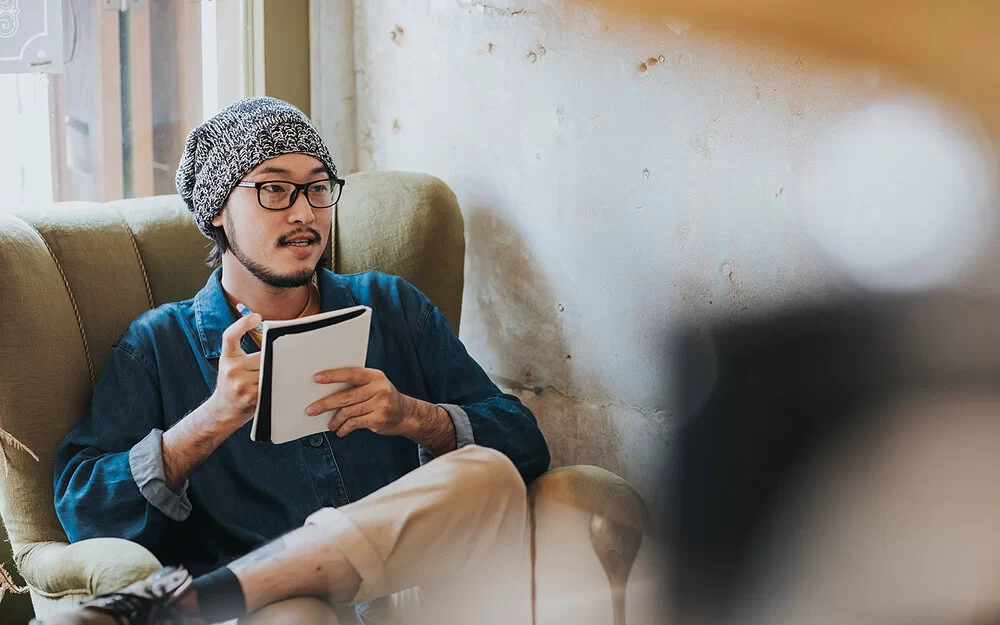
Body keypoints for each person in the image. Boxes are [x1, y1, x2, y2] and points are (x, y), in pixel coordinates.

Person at [40, 97, 550, 625]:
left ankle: (191, 601)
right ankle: (239, 591)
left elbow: (525, 444)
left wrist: (414, 417)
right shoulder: (157, 345)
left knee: (488, 471)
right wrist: (210, 420)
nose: (305, 212)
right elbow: (85, 511)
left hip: (414, 594)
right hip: (273, 611)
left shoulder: (393, 307)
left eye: (318, 188)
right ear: (217, 207)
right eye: (275, 189)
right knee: (296, 617)